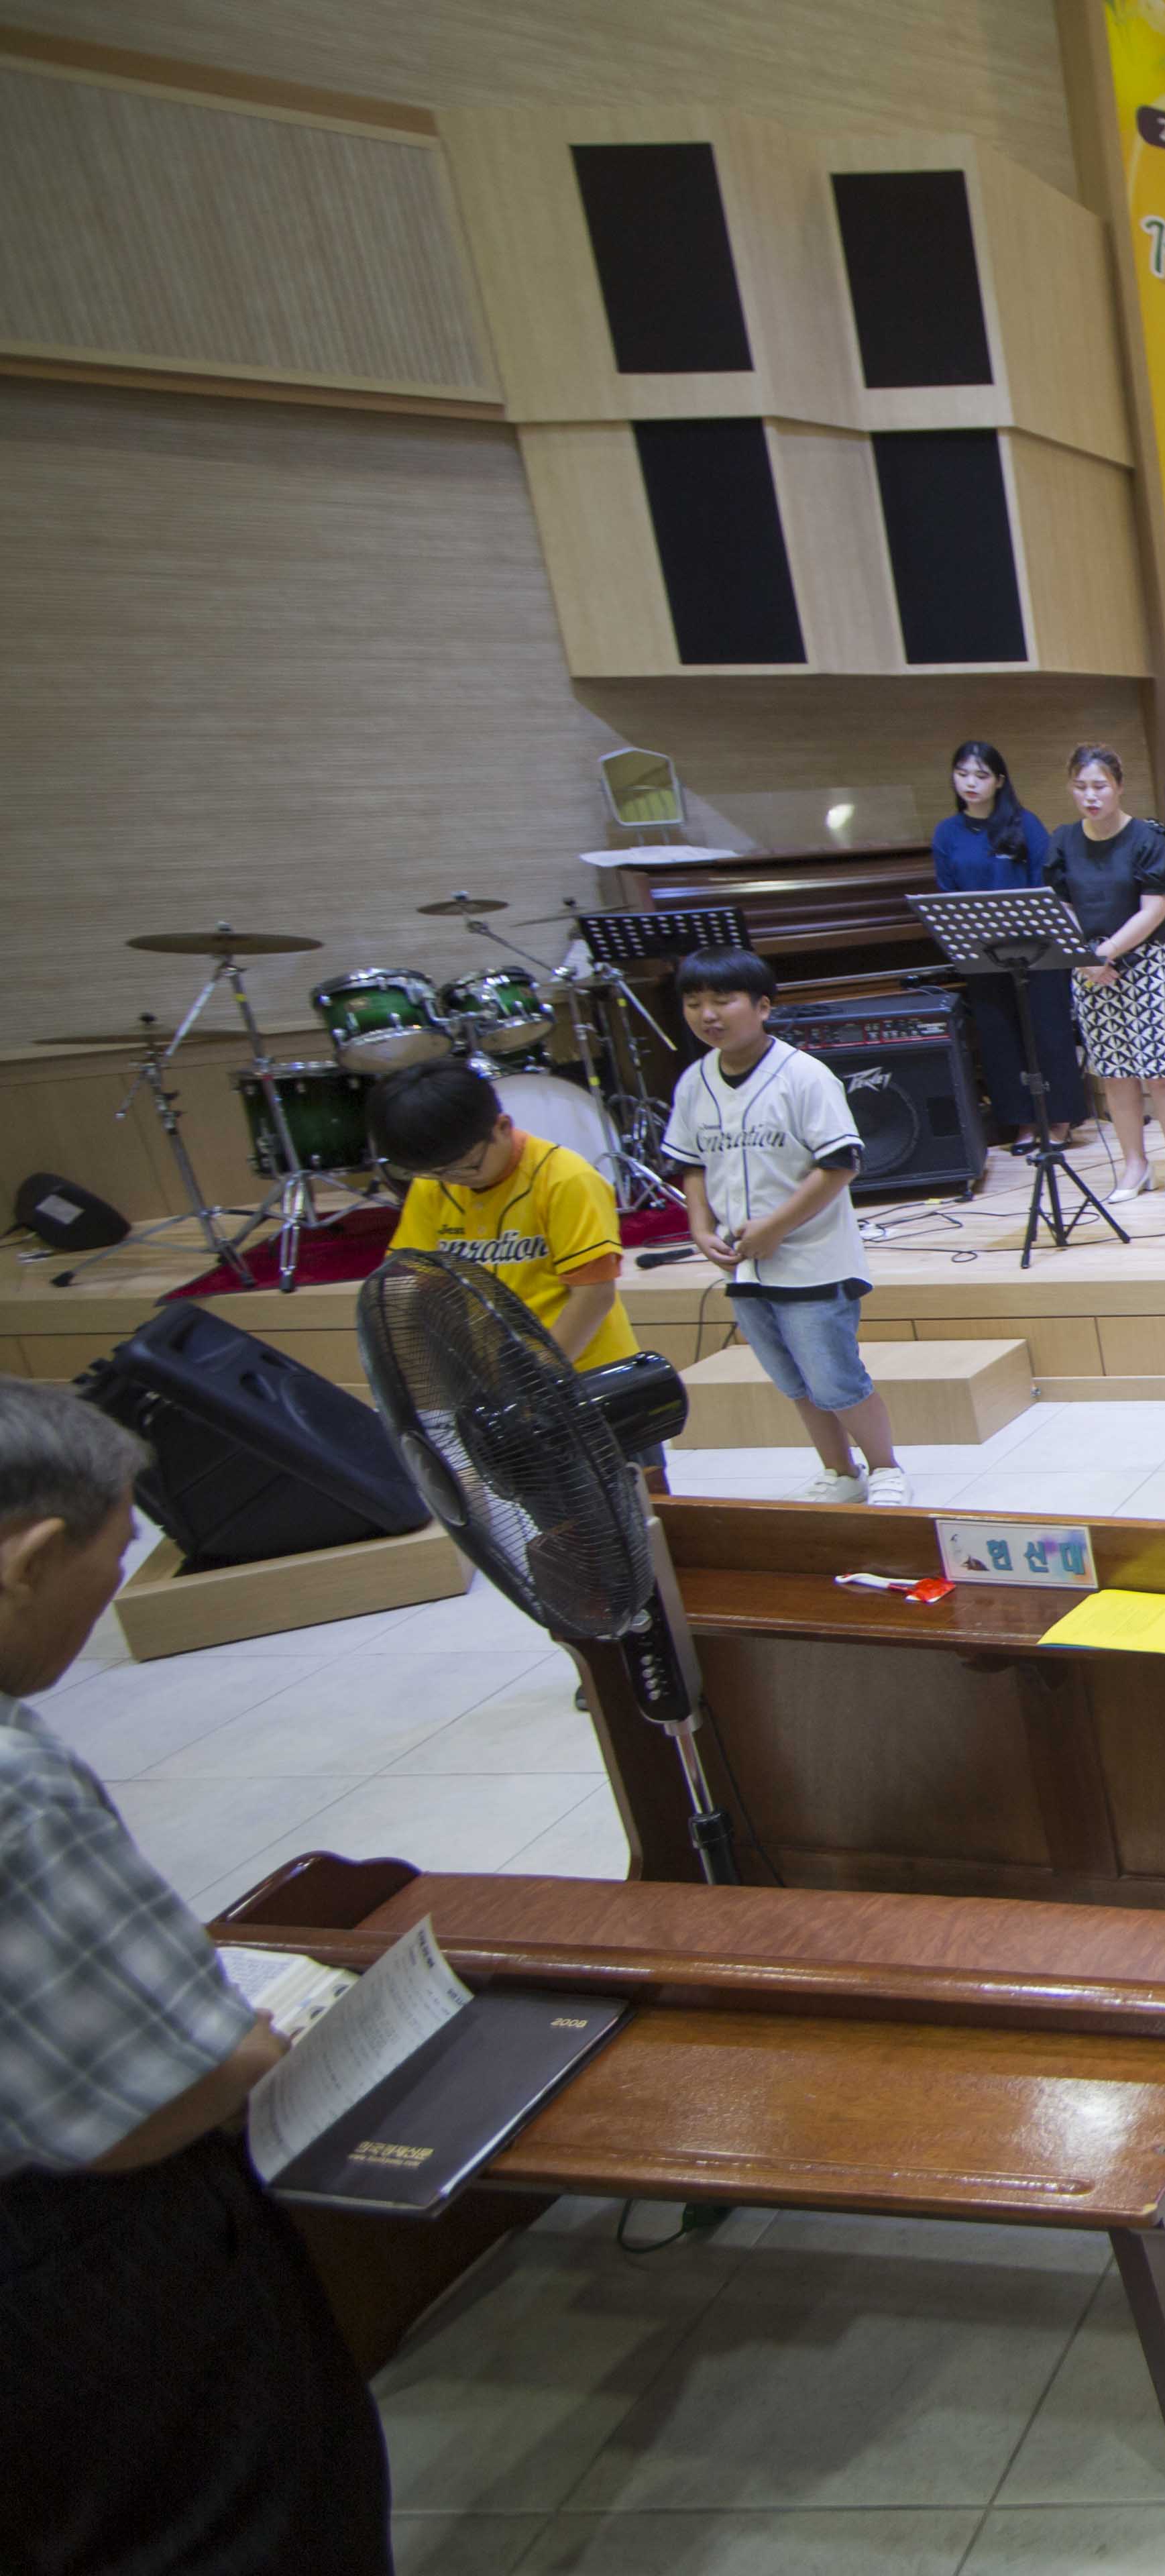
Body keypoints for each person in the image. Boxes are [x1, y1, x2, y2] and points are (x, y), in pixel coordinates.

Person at [0, 1380, 394, 2576]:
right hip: (79, 2267)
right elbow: (161, 2100)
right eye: (116, 1556)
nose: (111, 1591)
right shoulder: (17, 1792)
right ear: (29, 1559)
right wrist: (267, 2045)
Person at [663, 947, 905, 1504]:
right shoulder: (695, 1081)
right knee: (794, 1381)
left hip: (814, 1259)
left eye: (723, 1000)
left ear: (763, 1006)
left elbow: (840, 1164)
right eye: (694, 1003)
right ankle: (840, 1473)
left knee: (835, 1379)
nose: (707, 1015)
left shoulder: (804, 1075)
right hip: (744, 1266)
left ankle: (886, 1469)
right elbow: (691, 1163)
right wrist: (700, 1228)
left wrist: (774, 1227)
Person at [370, 1058, 636, 1365]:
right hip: (493, 1372)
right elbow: (409, 1277)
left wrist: (542, 1375)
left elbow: (595, 1295)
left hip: (582, 1370)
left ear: (503, 1128)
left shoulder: (566, 1180)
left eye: (468, 1167)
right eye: (438, 1172)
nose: (453, 1180)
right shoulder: (433, 1183)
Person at [1048, 744, 1165, 1217]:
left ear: (1119, 787)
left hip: (1142, 963)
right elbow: (1061, 906)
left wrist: (1104, 952)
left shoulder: (1146, 839)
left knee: (1161, 1070)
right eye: (1081, 787)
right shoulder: (1064, 840)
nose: (1091, 796)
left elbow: (1155, 910)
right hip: (1089, 969)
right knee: (1114, 1072)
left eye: (1100, 786)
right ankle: (1135, 1164)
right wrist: (1084, 958)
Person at [932, 739, 1082, 1149]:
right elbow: (947, 891)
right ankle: (1022, 1122)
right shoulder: (947, 832)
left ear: (999, 781)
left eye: (981, 776)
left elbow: (1046, 884)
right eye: (963, 774)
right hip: (983, 951)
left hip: (1038, 950)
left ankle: (1059, 1119)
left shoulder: (1025, 824)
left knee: (1048, 1032)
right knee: (999, 1037)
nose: (971, 783)